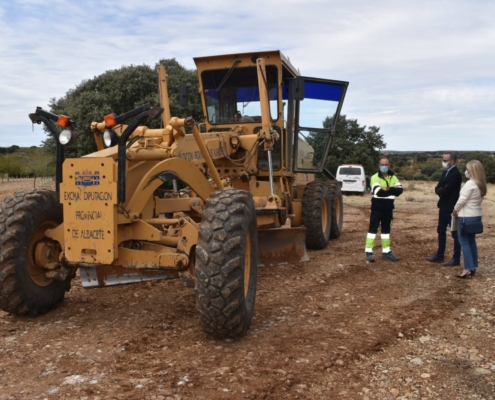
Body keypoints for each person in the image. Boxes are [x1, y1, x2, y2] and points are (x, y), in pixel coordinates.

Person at [452, 160, 487, 279]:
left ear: (472, 171)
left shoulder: (470, 184)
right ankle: (473, 266)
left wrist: (455, 210)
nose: (466, 171)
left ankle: (467, 268)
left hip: (466, 216)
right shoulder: (480, 184)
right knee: (471, 241)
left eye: (468, 169)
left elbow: (462, 200)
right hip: (476, 216)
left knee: (464, 242)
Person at [425, 152, 462, 266]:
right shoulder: (446, 172)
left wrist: (441, 190)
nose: (444, 162)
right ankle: (440, 255)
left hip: (451, 209)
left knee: (455, 234)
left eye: (446, 160)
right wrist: (441, 190)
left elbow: (446, 190)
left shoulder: (456, 174)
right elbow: (438, 187)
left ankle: (456, 258)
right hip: (443, 207)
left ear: (453, 161)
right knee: (441, 231)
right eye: (443, 160)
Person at [365, 158, 403, 262]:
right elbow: (378, 192)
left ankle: (386, 252)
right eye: (382, 164)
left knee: (386, 231)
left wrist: (387, 189)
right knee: (372, 230)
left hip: (388, 209)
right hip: (377, 208)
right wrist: (392, 189)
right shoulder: (374, 177)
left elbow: (400, 190)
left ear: (389, 165)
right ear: (379, 165)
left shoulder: (393, 177)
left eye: (386, 164)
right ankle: (369, 252)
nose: (384, 166)